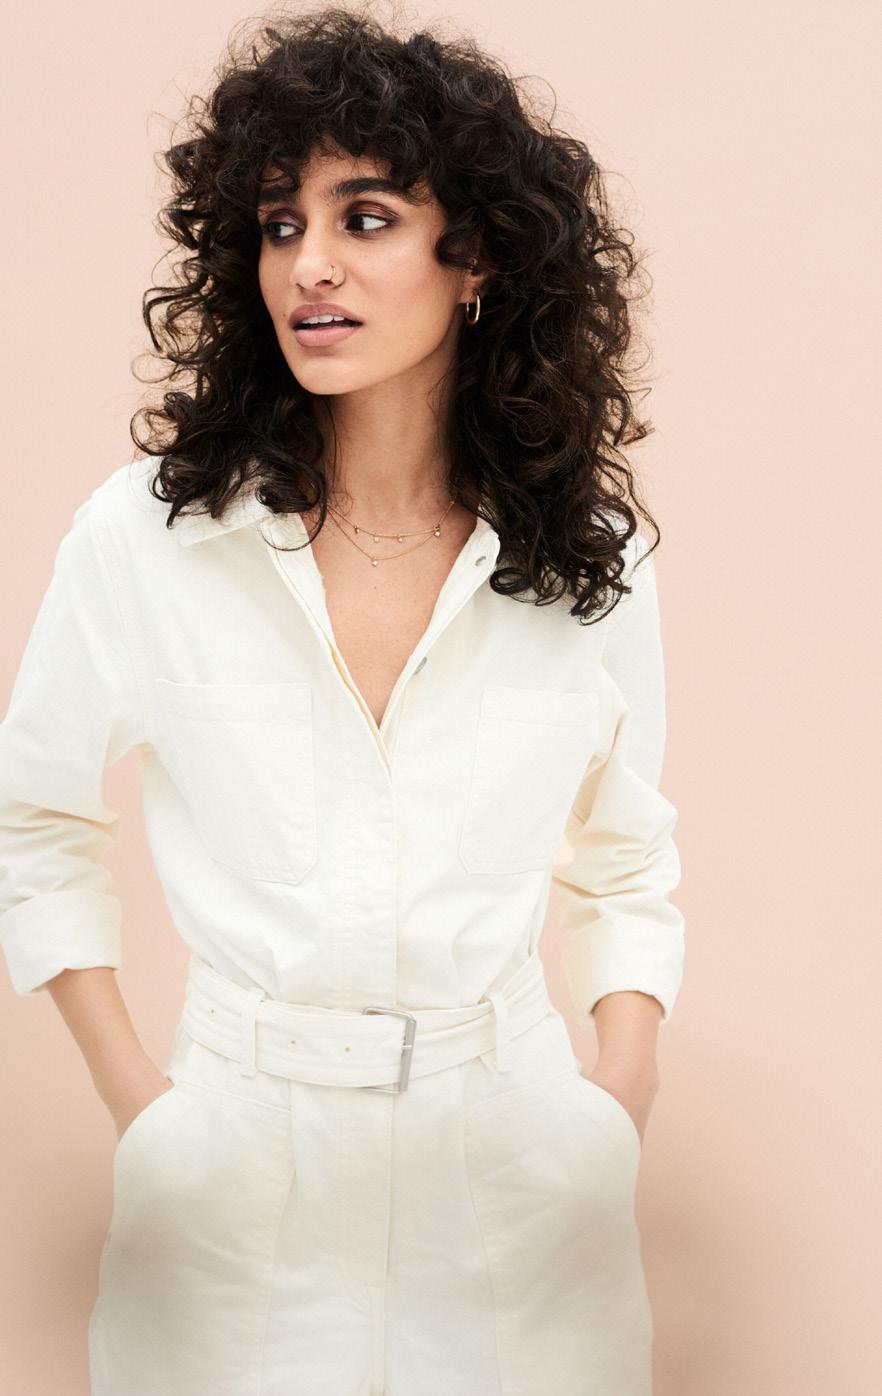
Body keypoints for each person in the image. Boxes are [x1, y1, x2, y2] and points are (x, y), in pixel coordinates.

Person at [0, 8, 685, 1394]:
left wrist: (611, 1105)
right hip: (232, 1178)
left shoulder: (585, 562)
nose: (308, 263)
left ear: (477, 256)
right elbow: (34, 821)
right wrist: (148, 1116)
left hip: (515, 1176)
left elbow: (625, 860)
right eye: (278, 224)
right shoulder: (148, 540)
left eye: (364, 218)